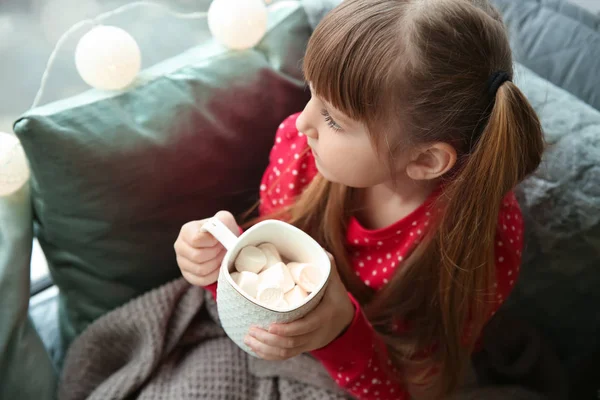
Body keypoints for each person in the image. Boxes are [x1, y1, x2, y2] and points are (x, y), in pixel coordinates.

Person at [174, 0, 544, 398]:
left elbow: (420, 388)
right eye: (311, 92)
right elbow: (275, 277)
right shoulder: (300, 153)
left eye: (334, 119)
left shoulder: (476, 246)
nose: (302, 121)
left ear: (424, 159)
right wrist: (222, 266)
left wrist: (339, 332)